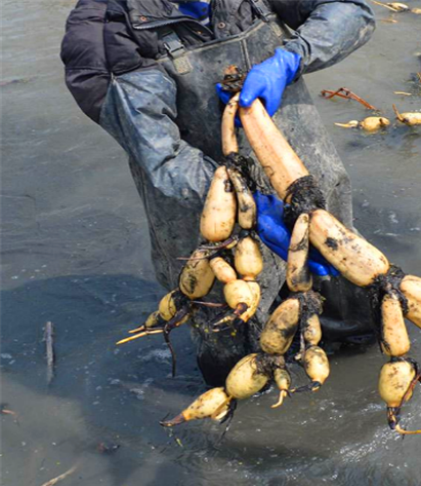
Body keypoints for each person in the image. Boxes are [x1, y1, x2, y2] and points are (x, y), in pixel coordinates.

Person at [61, 0, 377, 384]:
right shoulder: (106, 30)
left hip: (312, 197)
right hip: (211, 216)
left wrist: (292, 57)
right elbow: (161, 153)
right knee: (240, 365)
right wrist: (250, 208)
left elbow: (351, 11)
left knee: (356, 330)